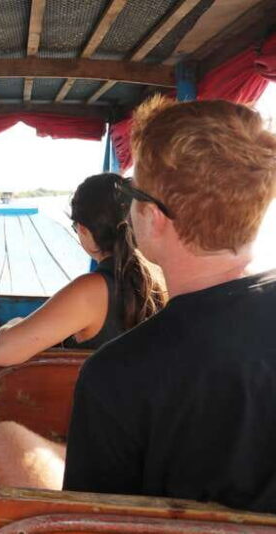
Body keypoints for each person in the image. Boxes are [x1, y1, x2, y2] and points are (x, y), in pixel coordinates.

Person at [62, 97, 276, 513]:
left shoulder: (115, 375)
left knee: (8, 442)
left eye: (130, 190)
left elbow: (90, 523)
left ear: (154, 216)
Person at [0, 172, 166, 490]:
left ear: (84, 231)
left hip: (89, 451)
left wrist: (10, 325)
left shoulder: (91, 291)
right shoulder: (165, 281)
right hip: (151, 453)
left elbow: (0, 354)